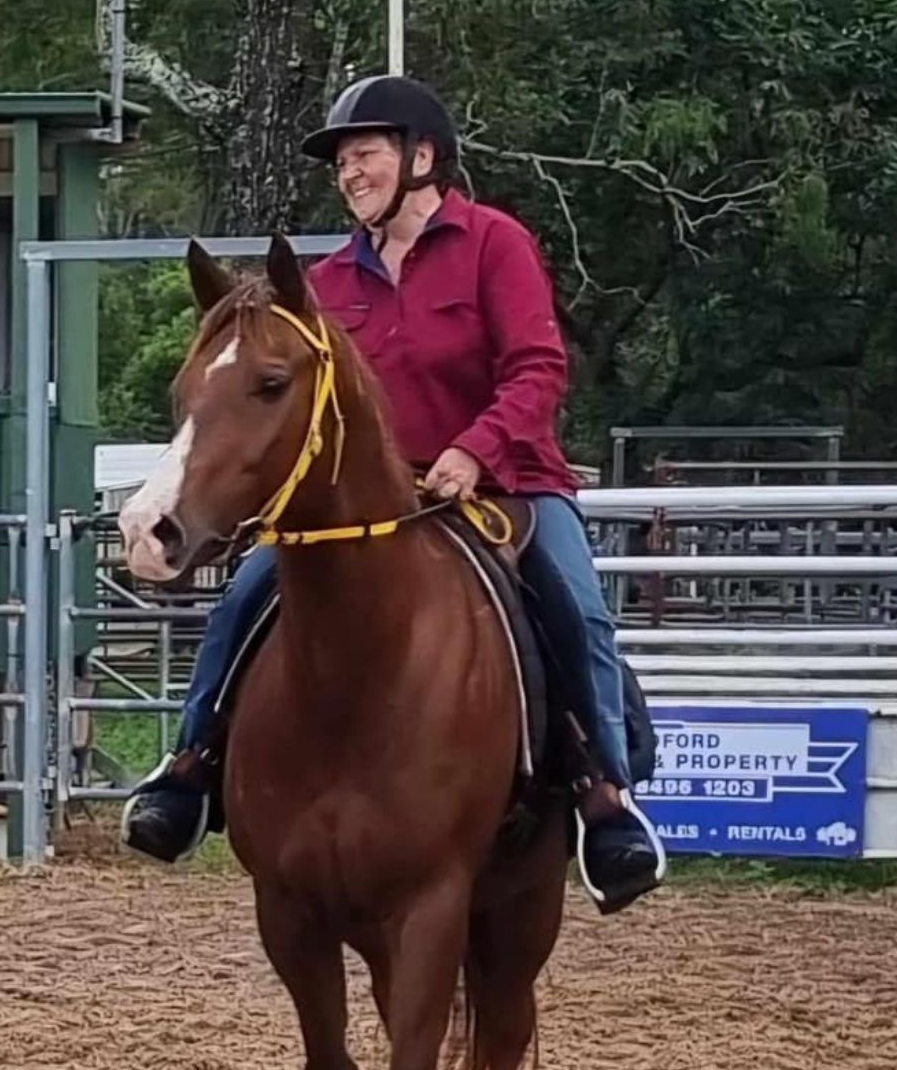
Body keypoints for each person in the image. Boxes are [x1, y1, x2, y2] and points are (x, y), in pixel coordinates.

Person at [121, 74, 665, 913]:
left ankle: (605, 797)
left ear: (422, 157)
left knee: (577, 605)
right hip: (367, 503)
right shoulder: (327, 285)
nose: (349, 172)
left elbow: (538, 369)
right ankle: (190, 766)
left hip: (506, 484)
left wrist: (474, 450)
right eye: (341, 161)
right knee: (245, 598)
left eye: (364, 154)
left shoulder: (496, 244)